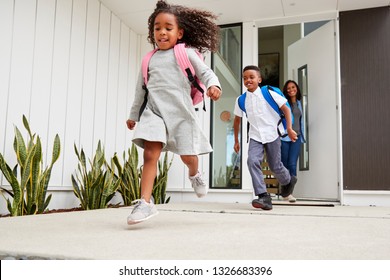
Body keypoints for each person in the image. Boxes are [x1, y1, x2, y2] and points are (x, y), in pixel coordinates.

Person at [126, 0, 222, 224]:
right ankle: (145, 203)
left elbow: (206, 73)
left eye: (168, 28)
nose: (162, 32)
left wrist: (214, 85)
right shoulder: (148, 59)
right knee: (150, 153)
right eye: (157, 28)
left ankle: (195, 174)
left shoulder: (186, 53)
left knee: (188, 157)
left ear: (179, 33)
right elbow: (140, 91)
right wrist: (133, 115)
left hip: (181, 114)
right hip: (154, 112)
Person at [233, 65, 297, 210]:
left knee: (275, 166)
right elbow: (236, 121)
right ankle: (263, 196)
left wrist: (289, 128)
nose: (248, 80)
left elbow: (286, 108)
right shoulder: (241, 100)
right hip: (255, 136)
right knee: (252, 161)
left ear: (259, 79)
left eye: (251, 77)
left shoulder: (267, 92)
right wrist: (236, 140)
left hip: (272, 134)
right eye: (245, 78)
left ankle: (289, 180)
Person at [280, 80, 306, 202]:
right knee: (284, 165)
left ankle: (289, 193)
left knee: (292, 164)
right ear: (285, 91)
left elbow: (301, 120)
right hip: (284, 137)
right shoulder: (283, 103)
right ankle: (285, 192)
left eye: (293, 87)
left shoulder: (300, 103)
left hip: (297, 137)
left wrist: (303, 136)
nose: (291, 90)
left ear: (297, 88)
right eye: (288, 88)